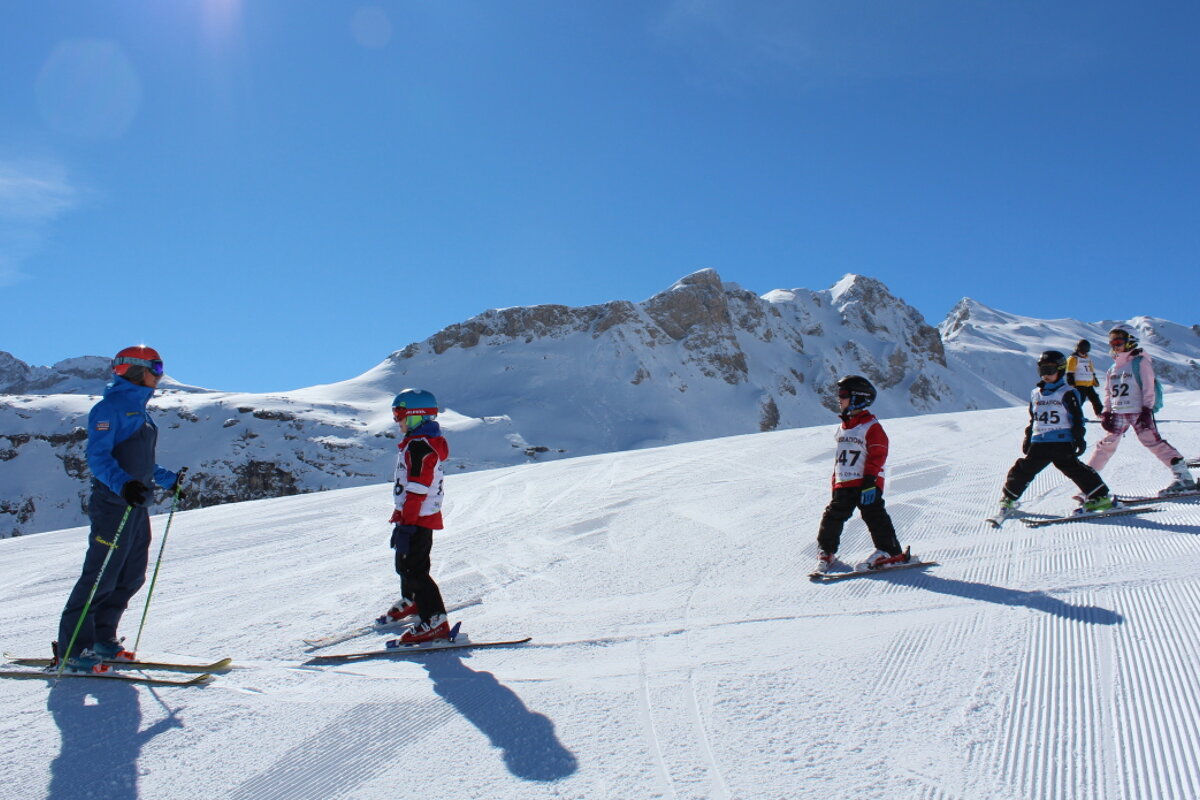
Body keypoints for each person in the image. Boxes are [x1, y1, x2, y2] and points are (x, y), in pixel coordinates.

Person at [55, 346, 184, 674]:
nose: (160, 372)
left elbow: (141, 461)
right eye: (155, 366)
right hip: (114, 506)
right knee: (99, 576)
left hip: (136, 506)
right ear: (135, 370)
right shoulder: (109, 409)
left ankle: (102, 639)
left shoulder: (140, 411)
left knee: (130, 575)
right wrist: (123, 485)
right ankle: (72, 648)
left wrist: (167, 480)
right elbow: (98, 457)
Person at [991, 350, 1114, 524]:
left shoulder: (1067, 392)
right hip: (1040, 440)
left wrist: (1078, 438)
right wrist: (1028, 437)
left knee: (1074, 469)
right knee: (1023, 469)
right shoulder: (1036, 393)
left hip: (1061, 441)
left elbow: (1077, 418)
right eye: (1042, 370)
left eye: (1050, 370)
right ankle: (1009, 498)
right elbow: (1034, 418)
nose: (1046, 375)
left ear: (1061, 370)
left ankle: (1100, 497)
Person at [378, 388, 453, 643]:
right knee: (404, 564)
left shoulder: (420, 446)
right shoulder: (414, 443)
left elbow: (419, 487)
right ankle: (413, 601)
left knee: (415, 570)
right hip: (411, 515)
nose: (396, 419)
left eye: (400, 413)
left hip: (418, 518)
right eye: (395, 413)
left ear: (417, 415)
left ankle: (435, 620)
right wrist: (400, 514)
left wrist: (408, 523)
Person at [814, 375, 908, 573]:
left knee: (874, 515)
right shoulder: (842, 428)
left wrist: (870, 480)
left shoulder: (871, 427)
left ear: (858, 398)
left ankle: (891, 552)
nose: (839, 398)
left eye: (844, 394)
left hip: (866, 483)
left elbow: (878, 454)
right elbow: (840, 459)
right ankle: (826, 550)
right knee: (833, 515)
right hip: (845, 482)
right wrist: (835, 483)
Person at [1088, 326, 1196, 496]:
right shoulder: (1112, 369)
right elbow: (1108, 392)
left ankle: (1184, 478)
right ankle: (1088, 483)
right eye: (1112, 343)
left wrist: (1147, 409)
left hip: (1138, 411)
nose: (1115, 346)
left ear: (1129, 341)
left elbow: (1148, 387)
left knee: (1153, 442)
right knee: (1106, 446)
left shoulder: (1140, 362)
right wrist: (1107, 412)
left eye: (1118, 342)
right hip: (1118, 412)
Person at [1066, 338, 1104, 417]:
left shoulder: (1087, 359)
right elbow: (1070, 372)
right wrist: (1071, 383)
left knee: (1095, 398)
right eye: (1082, 350)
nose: (1083, 353)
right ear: (1078, 349)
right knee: (1080, 400)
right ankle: (1074, 415)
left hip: (1088, 384)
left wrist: (1094, 379)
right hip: (1079, 384)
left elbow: (1091, 371)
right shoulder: (1073, 358)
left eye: (1085, 350)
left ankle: (1100, 413)